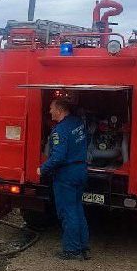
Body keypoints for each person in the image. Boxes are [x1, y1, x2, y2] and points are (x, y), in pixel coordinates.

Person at [38, 98, 90, 260]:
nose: (50, 111)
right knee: (77, 209)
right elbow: (86, 140)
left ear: (59, 110)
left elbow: (58, 157)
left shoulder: (59, 130)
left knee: (68, 212)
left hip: (66, 175)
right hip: (80, 170)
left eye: (51, 108)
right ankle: (83, 247)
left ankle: (72, 250)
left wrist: (42, 169)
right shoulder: (77, 123)